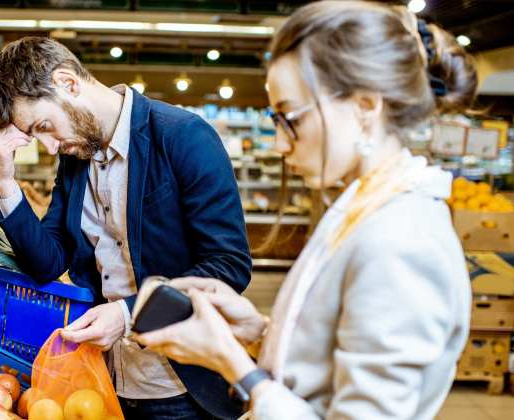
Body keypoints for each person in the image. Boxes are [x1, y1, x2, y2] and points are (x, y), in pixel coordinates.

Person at [134, 2, 476, 419]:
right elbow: (332, 366)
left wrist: (232, 363)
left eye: (289, 118)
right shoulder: (364, 207)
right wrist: (259, 333)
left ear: (366, 106)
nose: (279, 144)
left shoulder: (401, 241)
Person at [0, 37, 252, 419]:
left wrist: (128, 313)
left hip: (181, 386)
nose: (48, 147)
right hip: (104, 381)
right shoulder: (76, 161)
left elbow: (228, 265)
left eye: (44, 126)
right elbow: (47, 262)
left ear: (68, 83)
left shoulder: (182, 136)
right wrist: (5, 179)